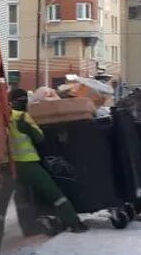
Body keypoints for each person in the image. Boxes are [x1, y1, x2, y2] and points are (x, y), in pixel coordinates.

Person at [8, 88, 88, 234]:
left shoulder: (3, 117)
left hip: (9, 167)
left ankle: (25, 230)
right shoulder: (22, 117)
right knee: (55, 194)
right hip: (29, 164)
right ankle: (75, 223)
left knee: (20, 198)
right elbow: (39, 137)